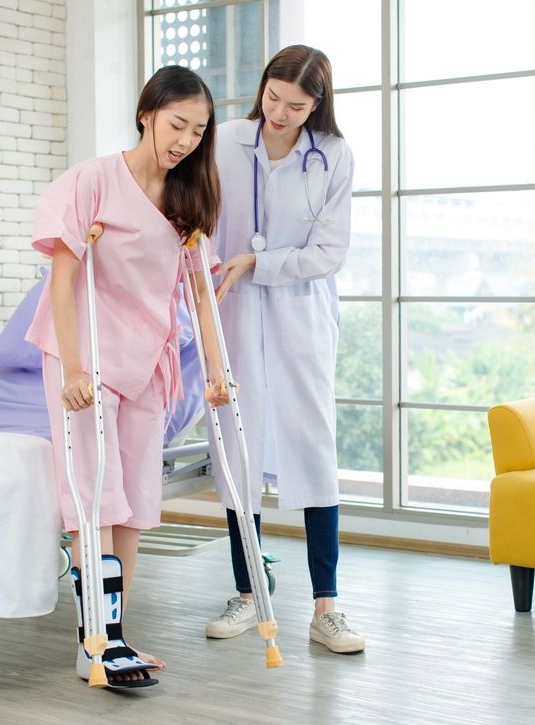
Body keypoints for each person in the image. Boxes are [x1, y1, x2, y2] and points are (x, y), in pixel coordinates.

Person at [25, 65, 228, 687]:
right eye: (176, 124)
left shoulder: (189, 198)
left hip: (148, 363)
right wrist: (74, 367)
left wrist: (219, 372)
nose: (186, 140)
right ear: (147, 114)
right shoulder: (93, 181)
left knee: (135, 505)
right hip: (84, 355)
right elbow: (62, 277)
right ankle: (95, 641)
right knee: (97, 498)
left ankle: (114, 636)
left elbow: (201, 295)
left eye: (198, 131)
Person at [205, 45, 365, 654]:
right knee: (236, 446)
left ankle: (327, 607)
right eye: (273, 96)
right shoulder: (225, 141)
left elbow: (329, 253)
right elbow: (199, 212)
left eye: (295, 105)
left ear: (317, 105)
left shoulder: (334, 156)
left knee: (312, 447)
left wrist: (261, 263)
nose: (279, 112)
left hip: (302, 316)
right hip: (236, 312)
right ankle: (249, 592)